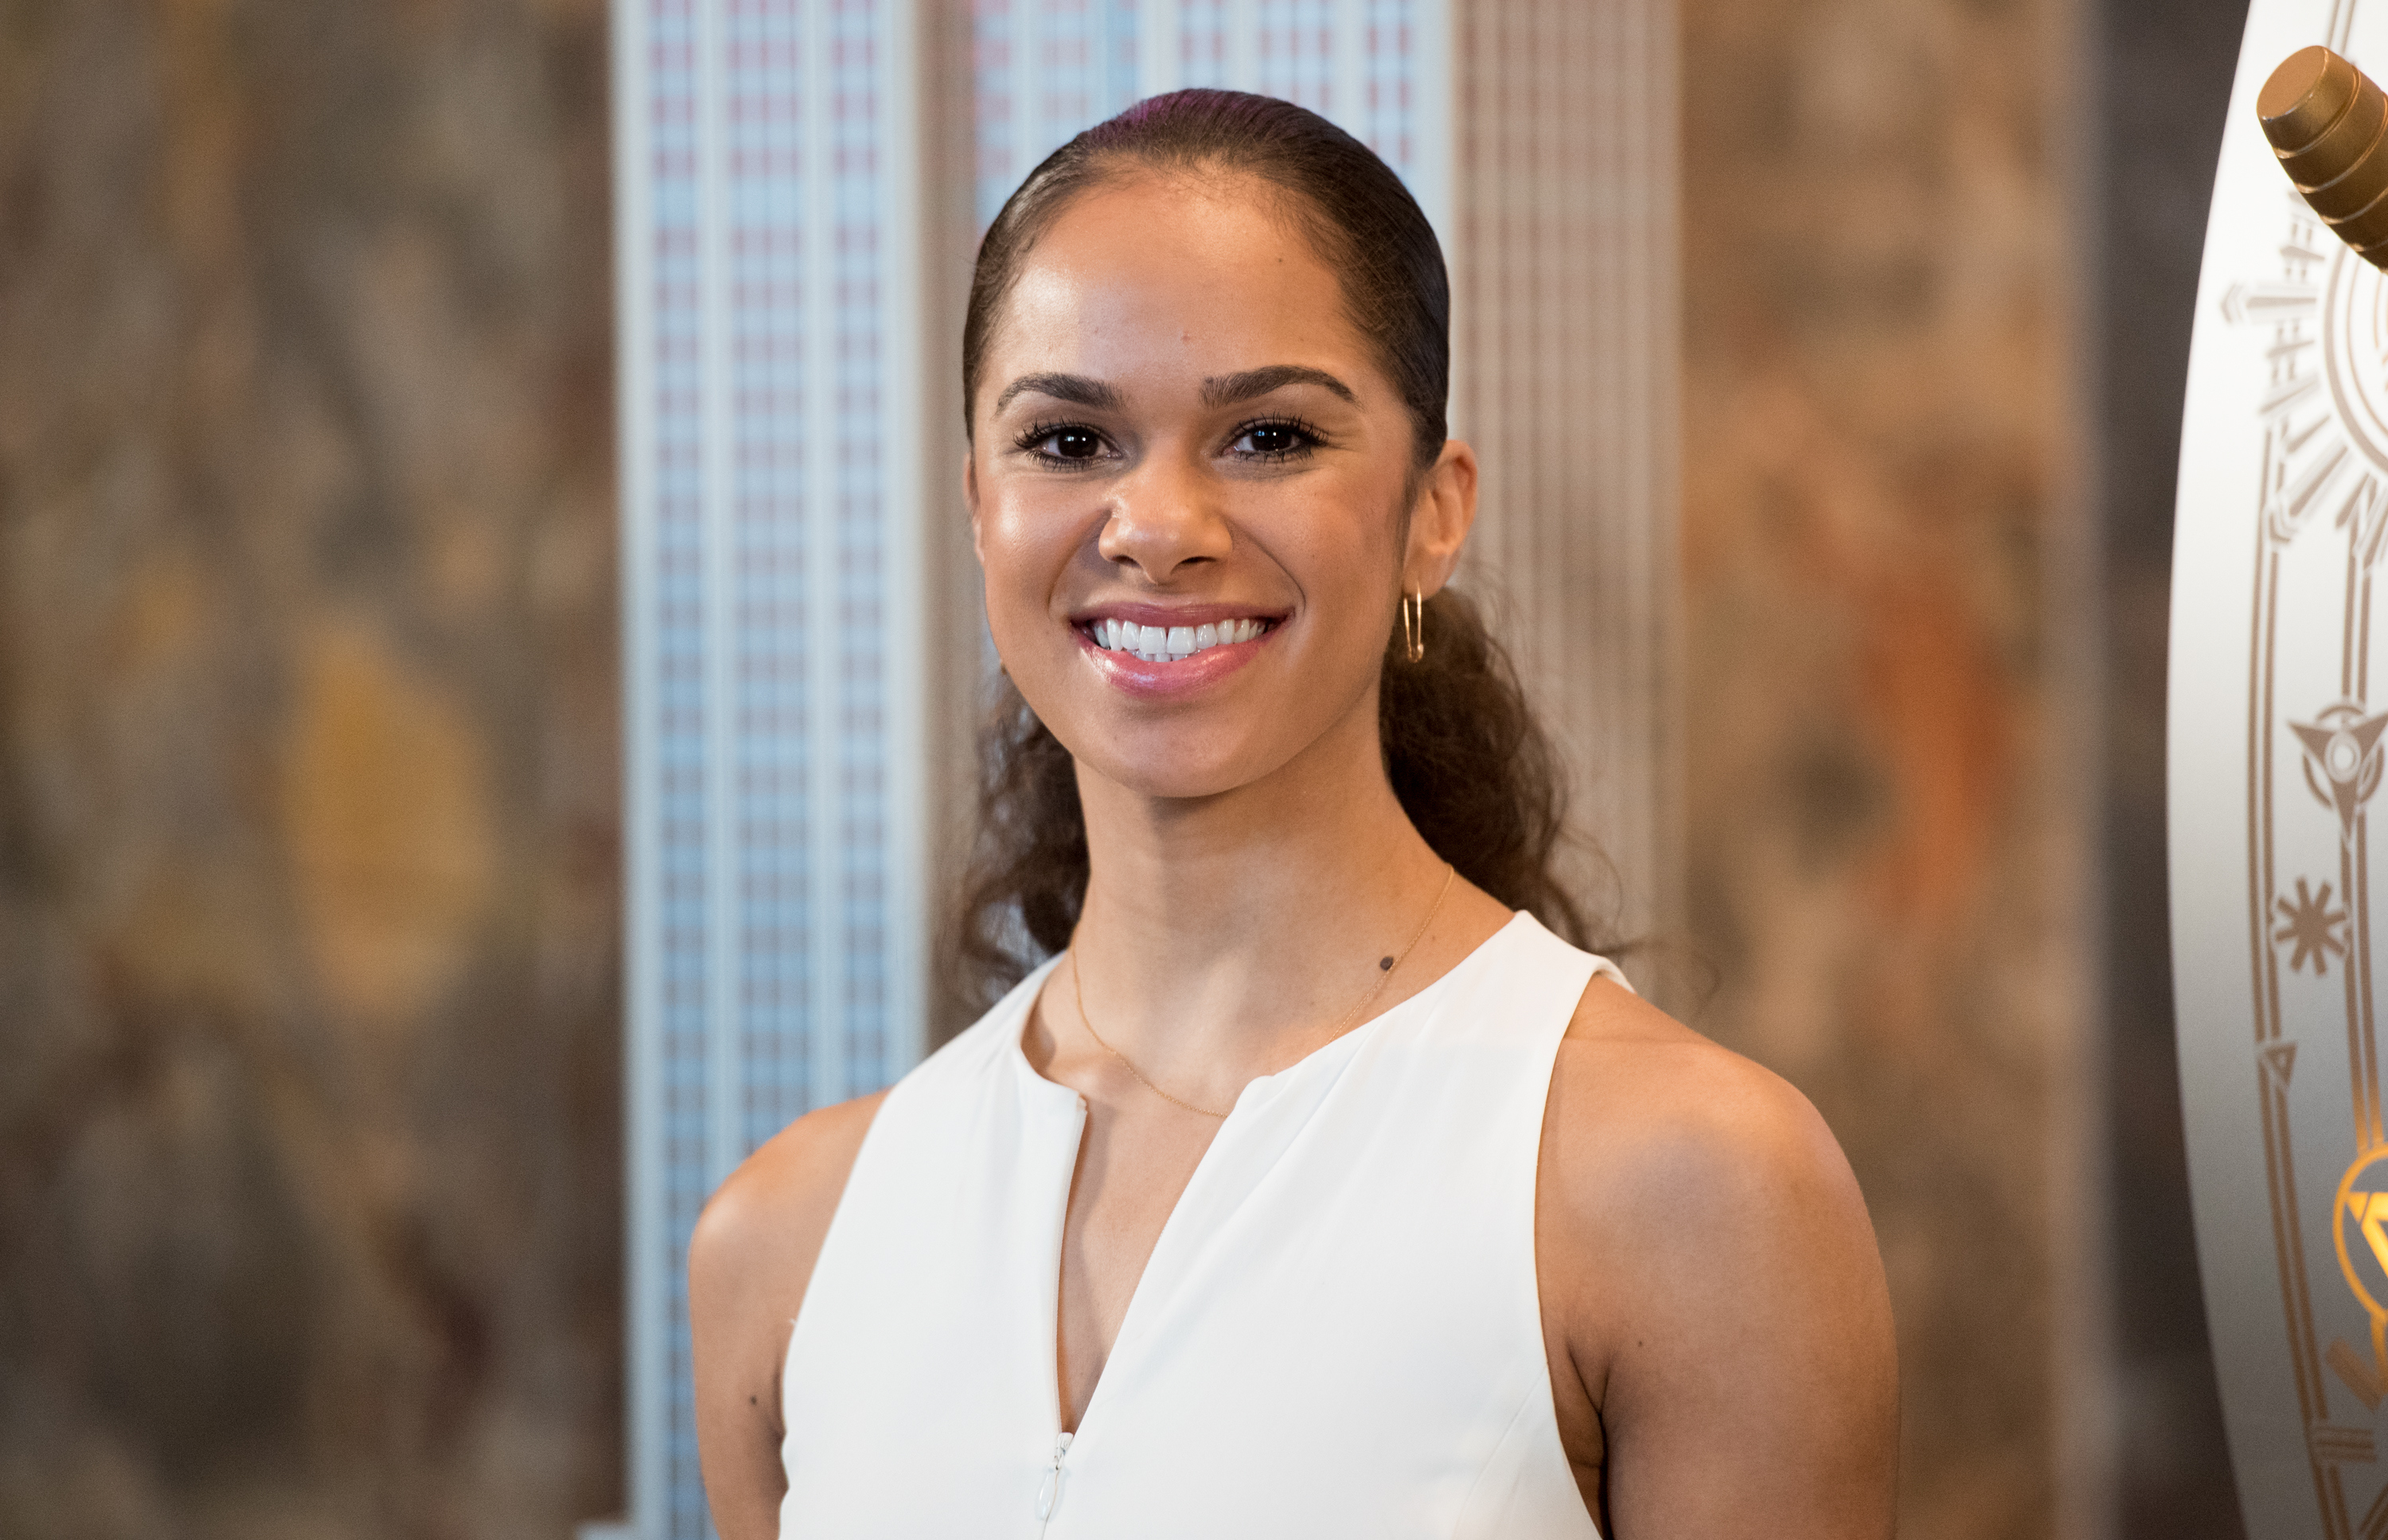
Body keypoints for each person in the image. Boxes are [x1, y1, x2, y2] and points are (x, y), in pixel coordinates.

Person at [689, 89, 1897, 1538]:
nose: (1157, 525)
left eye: (1267, 436)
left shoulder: (1686, 1183)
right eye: (1069, 443)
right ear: (976, 505)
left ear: (1435, 512)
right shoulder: (786, 1243)